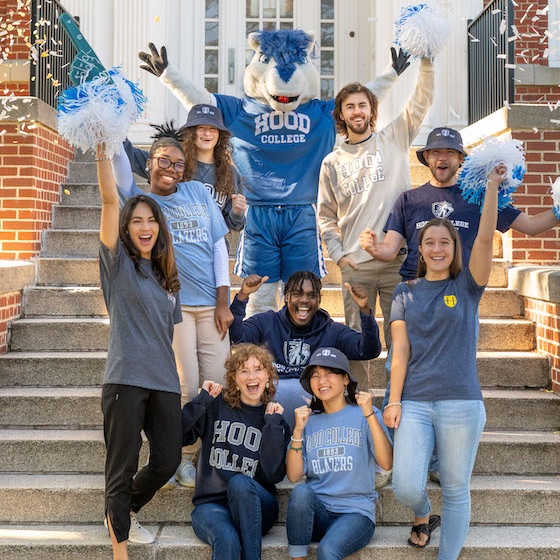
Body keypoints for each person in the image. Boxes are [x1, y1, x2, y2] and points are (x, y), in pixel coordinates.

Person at [384, 164, 507, 559]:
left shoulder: (467, 286)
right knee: (404, 485)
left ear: (455, 249)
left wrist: (491, 187)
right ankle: (422, 513)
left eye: (445, 242)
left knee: (455, 489)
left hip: (461, 402)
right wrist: (394, 399)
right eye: (430, 242)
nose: (437, 248)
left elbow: (486, 238)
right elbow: (399, 352)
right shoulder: (405, 292)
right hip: (416, 402)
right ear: (419, 249)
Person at [111, 126, 232, 488]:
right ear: (148, 163)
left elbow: (218, 248)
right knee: (185, 384)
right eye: (164, 161)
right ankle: (178, 456)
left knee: (218, 382)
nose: (172, 169)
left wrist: (224, 301)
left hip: (211, 306)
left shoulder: (197, 192)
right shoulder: (144, 205)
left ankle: (204, 455)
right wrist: (111, 128)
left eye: (179, 163)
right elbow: (117, 167)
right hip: (173, 308)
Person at [318, 56, 434, 379]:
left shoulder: (394, 138)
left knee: (403, 337)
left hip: (399, 260)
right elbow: (326, 216)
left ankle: (402, 403)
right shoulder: (332, 163)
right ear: (341, 114)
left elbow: (420, 101)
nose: (357, 112)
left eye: (362, 105)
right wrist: (339, 257)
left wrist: (426, 64)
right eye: (350, 107)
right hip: (356, 265)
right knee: (357, 343)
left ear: (372, 110)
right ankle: (358, 408)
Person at [95, 143, 183, 559]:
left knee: (167, 461)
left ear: (159, 228)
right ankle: (121, 551)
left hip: (164, 380)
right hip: (125, 379)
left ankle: (121, 511)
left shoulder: (167, 277)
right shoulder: (118, 265)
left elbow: (168, 333)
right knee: (122, 467)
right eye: (137, 221)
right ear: (127, 229)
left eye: (151, 220)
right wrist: (100, 150)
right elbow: (111, 199)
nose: (144, 227)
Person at [360, 127, 560, 282]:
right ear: (427, 158)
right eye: (436, 152)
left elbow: (532, 226)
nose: (442, 158)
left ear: (461, 158)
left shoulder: (479, 198)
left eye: (450, 152)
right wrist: (373, 247)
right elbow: (389, 251)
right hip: (415, 292)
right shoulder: (408, 200)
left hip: (461, 293)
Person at [229, 270, 382, 430]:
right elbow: (236, 338)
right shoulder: (266, 322)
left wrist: (365, 311)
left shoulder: (333, 330)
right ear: (286, 297)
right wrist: (242, 296)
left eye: (311, 295)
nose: (304, 300)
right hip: (272, 401)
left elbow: (368, 351)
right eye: (297, 294)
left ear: (319, 300)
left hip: (316, 397)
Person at [182, 343, 290, 560]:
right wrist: (202, 400)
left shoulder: (274, 418)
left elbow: (273, 476)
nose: (252, 376)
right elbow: (177, 436)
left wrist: (272, 427)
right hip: (212, 506)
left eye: (258, 369)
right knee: (227, 539)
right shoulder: (216, 406)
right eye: (244, 370)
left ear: (267, 375)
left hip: (258, 505)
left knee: (240, 483)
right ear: (234, 378)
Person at [285, 347, 393, 560]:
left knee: (328, 550)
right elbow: (294, 476)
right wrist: (297, 430)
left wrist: (370, 414)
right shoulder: (309, 421)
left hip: (355, 513)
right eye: (315, 374)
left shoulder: (365, 414)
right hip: (318, 512)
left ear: (345, 379)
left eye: (328, 373)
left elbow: (387, 462)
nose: (321, 380)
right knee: (300, 493)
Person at [123, 104, 247, 234]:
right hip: (174, 247)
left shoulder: (230, 173)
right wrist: (114, 123)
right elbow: (128, 154)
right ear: (191, 132)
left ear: (219, 134)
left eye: (213, 128)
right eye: (201, 128)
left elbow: (233, 226)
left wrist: (237, 213)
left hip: (210, 250)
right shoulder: (173, 164)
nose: (207, 133)